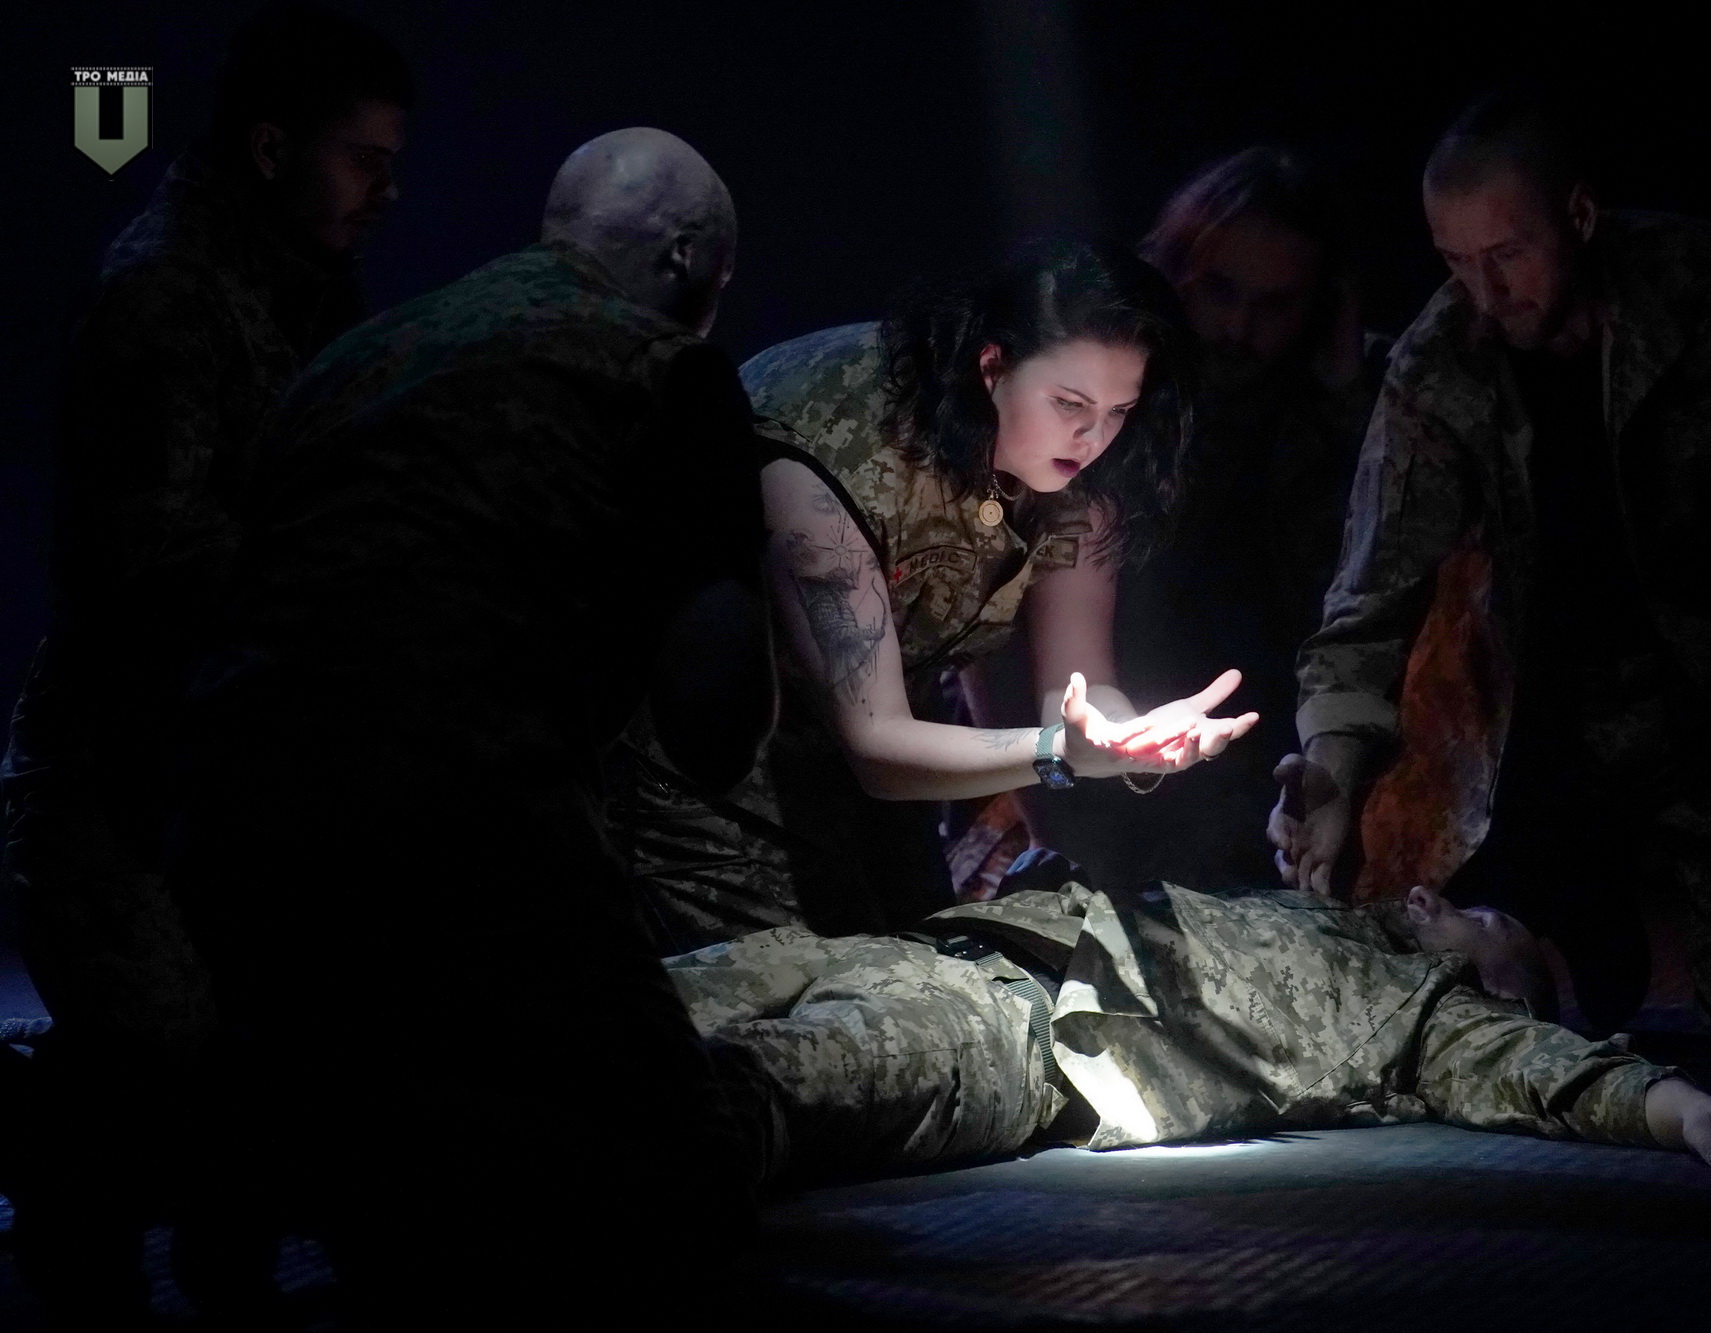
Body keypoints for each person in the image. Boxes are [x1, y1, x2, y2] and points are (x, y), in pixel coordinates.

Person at [167, 127, 772, 1326]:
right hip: (466, 815)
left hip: (230, 818)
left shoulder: (357, 356)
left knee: (372, 1175)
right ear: (685, 257)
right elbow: (712, 727)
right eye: (719, 278)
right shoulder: (663, 371)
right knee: (683, 1185)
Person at [1271, 89, 1711, 1051]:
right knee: (1448, 999)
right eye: (1455, 261)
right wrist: (1333, 771)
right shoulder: (1442, 364)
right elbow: (1366, 602)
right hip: (1537, 748)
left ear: (1580, 216)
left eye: (1508, 254)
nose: (1485, 292)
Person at [0, 7, 410, 1323]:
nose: (385, 192)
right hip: (122, 772)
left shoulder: (303, 277)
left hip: (239, 758)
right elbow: (157, 568)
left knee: (270, 1054)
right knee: (157, 1052)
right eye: (361, 159)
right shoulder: (166, 296)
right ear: (273, 148)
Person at [614, 237, 1257, 951]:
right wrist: (1061, 751)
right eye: (1070, 403)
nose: (1092, 435)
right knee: (784, 994)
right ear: (993, 365)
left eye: (1119, 410)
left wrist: (1128, 738)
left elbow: (1076, 684)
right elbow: (877, 743)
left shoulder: (1080, 469)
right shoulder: (832, 454)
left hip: (884, 782)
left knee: (925, 965)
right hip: (709, 778)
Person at [670, 874, 1711, 1185]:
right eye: (1499, 938)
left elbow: (1547, 1070)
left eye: (1512, 980)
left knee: (736, 1096)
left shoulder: (1419, 1015)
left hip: (1021, 1035)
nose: (1502, 996)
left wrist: (1680, 1105)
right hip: (949, 940)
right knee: (615, 999)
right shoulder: (1320, 899)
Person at [1007, 148, 1387, 889]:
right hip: (1085, 740)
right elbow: (1003, 618)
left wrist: (1344, 394)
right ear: (1175, 272)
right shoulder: (1109, 396)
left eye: (1276, 305)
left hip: (1258, 748)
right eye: (1219, 290)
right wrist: (1045, 813)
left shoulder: (1336, 406)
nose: (1239, 327)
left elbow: (1357, 589)